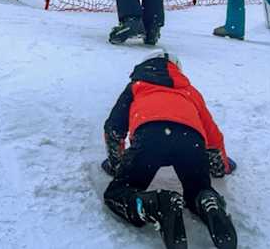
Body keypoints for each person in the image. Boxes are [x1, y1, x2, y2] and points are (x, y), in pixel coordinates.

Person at [102, 51, 238, 249]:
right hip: (191, 141)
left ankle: (158, 204)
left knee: (118, 193)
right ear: (177, 69)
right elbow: (213, 136)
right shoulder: (190, 91)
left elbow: (113, 129)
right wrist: (221, 166)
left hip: (150, 139)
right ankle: (207, 201)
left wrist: (117, 164)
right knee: (198, 189)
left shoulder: (136, 87)